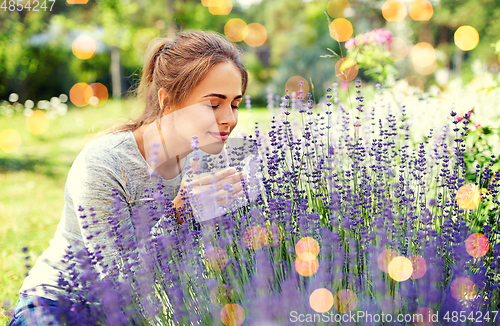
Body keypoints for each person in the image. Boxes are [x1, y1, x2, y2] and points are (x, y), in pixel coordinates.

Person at [9, 30, 249, 326]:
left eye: (235, 104)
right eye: (213, 104)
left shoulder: (211, 159)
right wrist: (179, 214)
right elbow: (118, 285)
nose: (230, 119)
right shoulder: (104, 163)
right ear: (168, 100)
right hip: (60, 304)